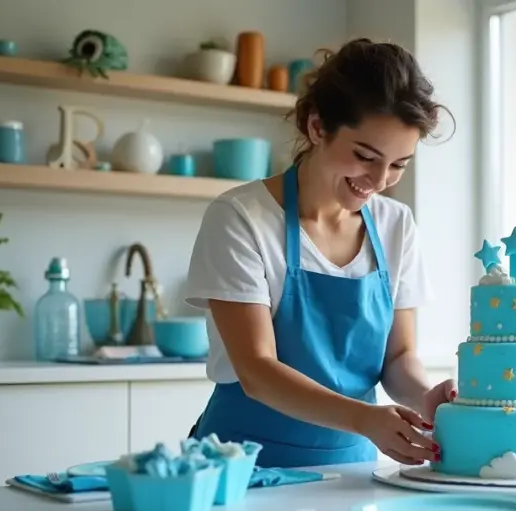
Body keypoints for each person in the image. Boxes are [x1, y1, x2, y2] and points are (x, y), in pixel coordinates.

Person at [183, 38, 457, 469]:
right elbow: (256, 370)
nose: (380, 179)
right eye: (365, 156)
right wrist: (364, 418)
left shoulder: (395, 225)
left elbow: (398, 357)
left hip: (353, 466)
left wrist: (426, 398)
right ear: (317, 128)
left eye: (399, 164)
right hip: (242, 466)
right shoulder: (240, 218)